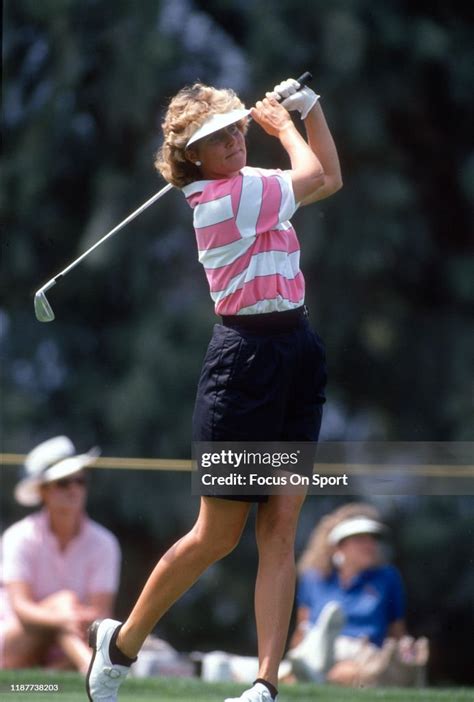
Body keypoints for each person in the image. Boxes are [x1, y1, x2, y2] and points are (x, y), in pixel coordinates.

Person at [86, 75, 342, 702]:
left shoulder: (254, 184)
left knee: (281, 526)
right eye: (214, 138)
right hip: (244, 366)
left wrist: (311, 111)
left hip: (296, 355)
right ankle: (120, 646)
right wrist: (285, 128)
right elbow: (313, 179)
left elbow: (329, 177)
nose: (232, 141)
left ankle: (264, 686)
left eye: (234, 129)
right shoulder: (225, 199)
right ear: (190, 157)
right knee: (218, 535)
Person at [0, 436, 121, 674]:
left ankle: (71, 670)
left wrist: (69, 619)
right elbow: (20, 607)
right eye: (64, 482)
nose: (74, 489)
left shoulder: (105, 543)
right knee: (64, 601)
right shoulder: (19, 536)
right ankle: (92, 670)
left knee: (66, 606)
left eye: (80, 480)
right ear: (43, 491)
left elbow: (102, 612)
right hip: (15, 641)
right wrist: (63, 617)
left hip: (71, 638)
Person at [286, 502, 429, 687]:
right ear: (338, 547)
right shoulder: (313, 578)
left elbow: (396, 631)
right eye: (360, 539)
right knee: (306, 660)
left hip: (362, 653)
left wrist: (406, 650)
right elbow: (301, 629)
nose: (370, 545)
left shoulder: (387, 577)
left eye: (372, 539)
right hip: (317, 649)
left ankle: (317, 675)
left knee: (351, 673)